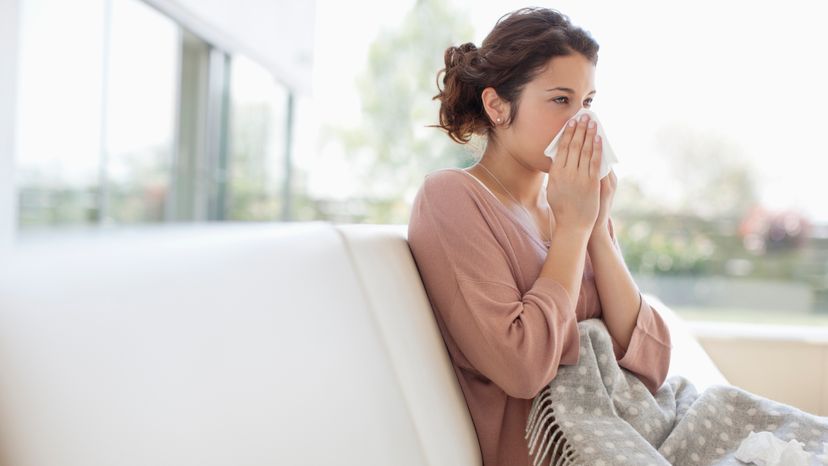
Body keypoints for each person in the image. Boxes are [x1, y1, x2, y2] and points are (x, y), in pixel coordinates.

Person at [406, 7, 672, 466]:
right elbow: (523, 368)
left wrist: (596, 233)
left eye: (587, 103)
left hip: (635, 430)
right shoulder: (451, 197)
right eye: (559, 100)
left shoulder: (572, 207)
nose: (581, 123)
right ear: (497, 106)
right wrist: (573, 230)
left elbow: (652, 365)